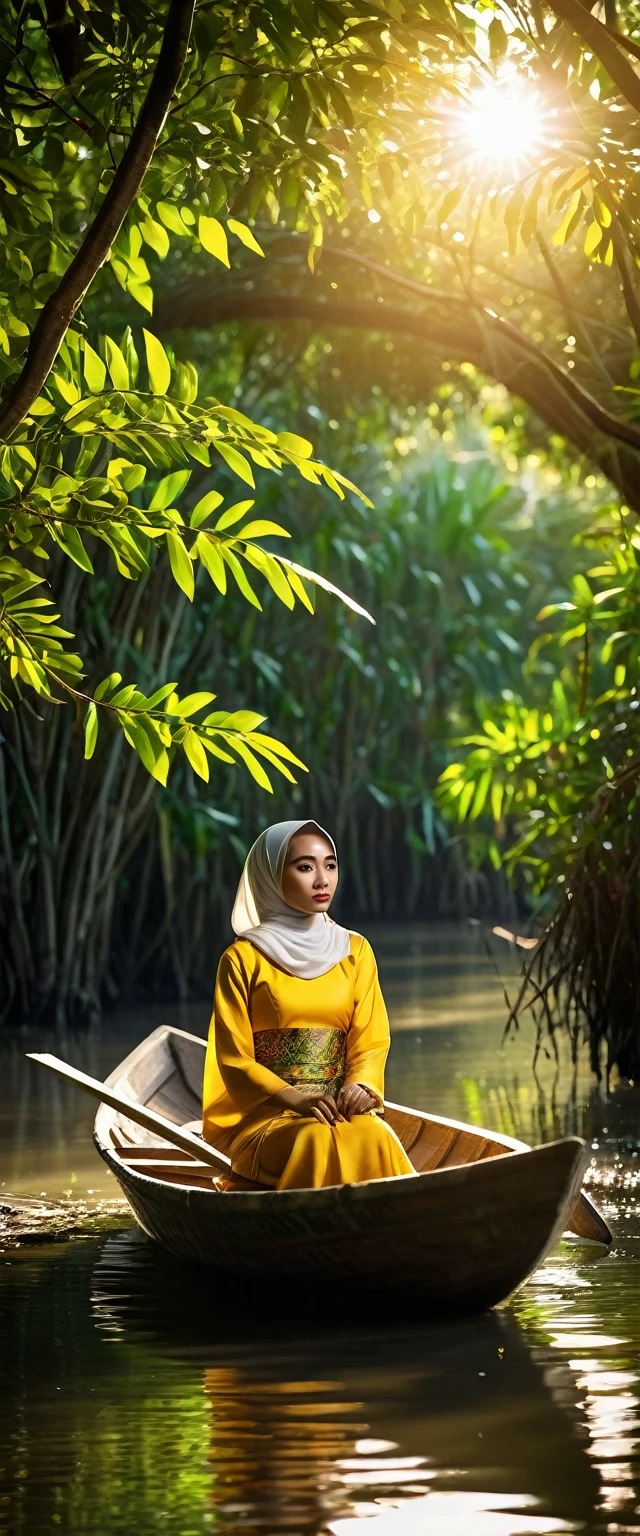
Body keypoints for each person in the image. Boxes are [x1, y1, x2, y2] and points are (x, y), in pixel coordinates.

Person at [202, 819, 416, 1190]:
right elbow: (235, 1060)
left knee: (376, 1135)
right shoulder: (242, 959)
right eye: (305, 867)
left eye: (330, 865)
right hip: (270, 1117)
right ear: (269, 877)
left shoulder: (355, 950)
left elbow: (371, 1038)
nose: (322, 879)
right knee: (314, 1139)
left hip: (338, 1110)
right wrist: (298, 1101)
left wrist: (361, 1085)